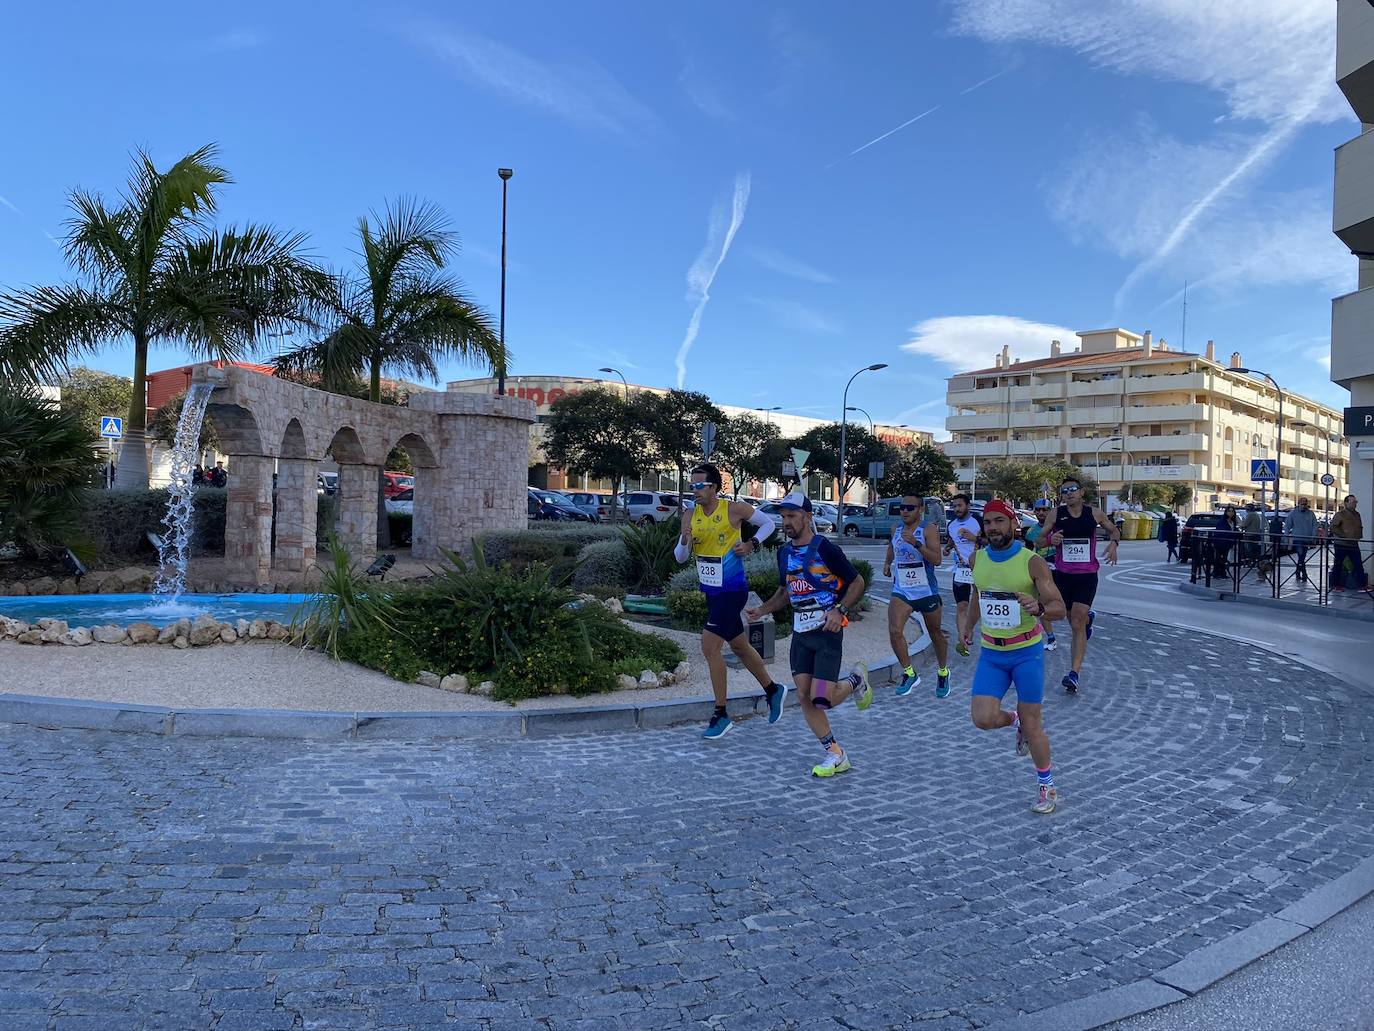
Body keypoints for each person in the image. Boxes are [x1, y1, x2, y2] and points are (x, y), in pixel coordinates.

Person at [746, 492, 871, 778]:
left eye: (792, 516)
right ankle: (835, 754)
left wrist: (840, 610)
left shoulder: (825, 548)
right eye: (783, 516)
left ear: (808, 517)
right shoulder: (784, 553)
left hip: (826, 631)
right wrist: (762, 610)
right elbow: (785, 593)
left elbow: (857, 581)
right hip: (800, 633)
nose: (786, 522)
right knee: (804, 695)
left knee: (822, 698)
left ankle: (856, 680)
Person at [957, 500, 1068, 814]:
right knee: (982, 718)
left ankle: (1046, 785)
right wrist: (968, 626)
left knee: (1035, 727)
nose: (992, 527)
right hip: (992, 653)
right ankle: (1014, 720)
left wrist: (1040, 608)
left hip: (1026, 654)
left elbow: (1058, 606)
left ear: (1013, 524)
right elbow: (979, 594)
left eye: (999, 521)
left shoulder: (1031, 562)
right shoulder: (976, 558)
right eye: (988, 522)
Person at [674, 464, 788, 739]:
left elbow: (770, 523)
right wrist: (685, 540)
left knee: (709, 646)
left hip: (733, 589)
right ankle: (773, 690)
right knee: (738, 645)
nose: (695, 490)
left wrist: (752, 544)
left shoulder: (733, 509)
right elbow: (679, 557)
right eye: (692, 486)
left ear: (714, 487)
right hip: (711, 592)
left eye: (700, 485)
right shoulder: (690, 514)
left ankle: (721, 713)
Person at [1039, 476, 1120, 693]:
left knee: (1076, 622)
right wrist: (1049, 540)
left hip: (1087, 575)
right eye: (1065, 491)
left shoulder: (1094, 513)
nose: (1069, 493)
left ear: (1081, 492)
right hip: (1063, 576)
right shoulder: (1056, 514)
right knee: (1070, 618)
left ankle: (1074, 673)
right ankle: (1087, 621)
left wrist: (1114, 544)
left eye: (1073, 489)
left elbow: (1114, 530)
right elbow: (1038, 539)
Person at [881, 495, 950, 698]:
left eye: (910, 507)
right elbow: (893, 546)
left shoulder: (928, 529)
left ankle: (943, 671)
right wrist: (887, 563)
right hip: (902, 588)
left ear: (920, 509)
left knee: (935, 633)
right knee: (894, 631)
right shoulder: (896, 528)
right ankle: (909, 673)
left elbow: (937, 560)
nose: (904, 511)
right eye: (901, 507)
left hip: (926, 589)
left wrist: (917, 544)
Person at [945, 494, 983, 657]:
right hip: (960, 570)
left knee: (978, 604)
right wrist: (947, 548)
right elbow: (952, 540)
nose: (957, 509)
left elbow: (992, 541)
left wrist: (974, 538)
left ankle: (970, 629)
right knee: (961, 606)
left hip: (980, 569)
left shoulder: (978, 521)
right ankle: (963, 640)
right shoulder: (951, 525)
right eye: (954, 506)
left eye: (960, 506)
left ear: (968, 506)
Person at [1023, 500, 1058, 650]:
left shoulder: (1059, 528)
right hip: (1042, 572)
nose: (1041, 513)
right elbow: (1027, 554)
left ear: (1050, 511)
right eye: (1038, 510)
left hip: (1061, 570)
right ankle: (1051, 639)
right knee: (1041, 606)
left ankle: (1087, 617)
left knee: (1067, 606)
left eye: (1045, 509)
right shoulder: (1031, 532)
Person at [1328, 495, 1370, 594]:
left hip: (1353, 543)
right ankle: (1335, 585)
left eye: (1355, 501)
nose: (1355, 503)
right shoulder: (1340, 514)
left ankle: (1362, 585)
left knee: (1358, 564)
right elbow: (1333, 527)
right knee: (1338, 565)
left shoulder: (1357, 514)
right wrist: (1344, 535)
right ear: (1346, 503)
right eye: (1353, 501)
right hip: (1341, 544)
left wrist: (1358, 535)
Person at [1285, 498, 1318, 585]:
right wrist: (1286, 538)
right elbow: (1287, 525)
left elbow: (1315, 525)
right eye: (1302, 504)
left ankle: (1298, 571)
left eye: (1305, 504)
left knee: (1302, 557)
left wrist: (1313, 537)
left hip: (1307, 539)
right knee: (1301, 555)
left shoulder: (1311, 514)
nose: (1304, 506)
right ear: (1298, 504)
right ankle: (1304, 574)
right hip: (1297, 538)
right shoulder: (1293, 513)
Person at [1211, 505, 1240, 580]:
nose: (1231, 513)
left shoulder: (1233, 521)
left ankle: (1222, 573)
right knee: (1219, 558)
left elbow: (1233, 531)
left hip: (1228, 542)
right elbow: (1222, 531)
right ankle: (1216, 573)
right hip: (1220, 542)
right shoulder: (1223, 521)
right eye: (1229, 511)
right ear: (1226, 512)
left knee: (1224, 558)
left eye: (1232, 511)